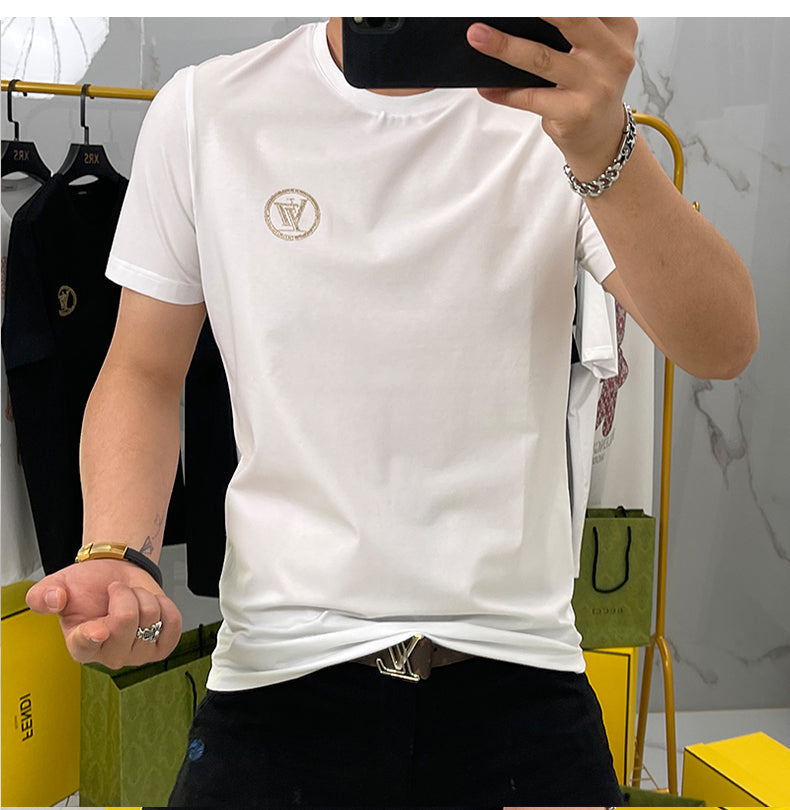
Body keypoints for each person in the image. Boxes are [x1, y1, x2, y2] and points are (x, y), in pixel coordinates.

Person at [25, 17, 758, 808]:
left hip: (519, 668)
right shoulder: (207, 109)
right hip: (279, 671)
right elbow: (143, 368)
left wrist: (603, 143)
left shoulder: (559, 111)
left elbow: (721, 345)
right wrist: (118, 551)